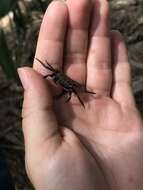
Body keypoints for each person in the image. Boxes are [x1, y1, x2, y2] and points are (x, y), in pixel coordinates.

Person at [17, 0, 143, 189]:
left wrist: (68, 93)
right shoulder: (55, 74)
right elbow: (51, 71)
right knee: (58, 78)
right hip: (66, 81)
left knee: (75, 91)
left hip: (72, 85)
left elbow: (70, 89)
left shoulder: (66, 85)